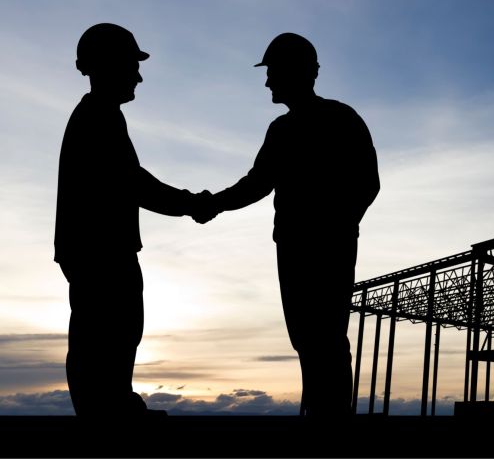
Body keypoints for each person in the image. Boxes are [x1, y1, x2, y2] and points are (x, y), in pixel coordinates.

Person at [196, 32, 379, 416]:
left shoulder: (339, 119)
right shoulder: (285, 129)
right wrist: (214, 203)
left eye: (273, 72)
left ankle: (328, 418)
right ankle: (318, 412)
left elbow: (367, 183)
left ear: (297, 73)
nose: (267, 82)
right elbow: (257, 184)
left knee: (325, 335)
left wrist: (336, 225)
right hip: (298, 246)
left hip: (322, 246)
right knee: (309, 337)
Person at [55, 23, 210, 417]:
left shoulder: (99, 115)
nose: (138, 75)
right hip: (101, 251)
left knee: (112, 333)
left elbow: (132, 183)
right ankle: (108, 416)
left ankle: (112, 408)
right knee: (109, 332)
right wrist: (191, 204)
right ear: (107, 65)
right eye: (131, 64)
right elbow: (135, 185)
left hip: (96, 249)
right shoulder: (98, 118)